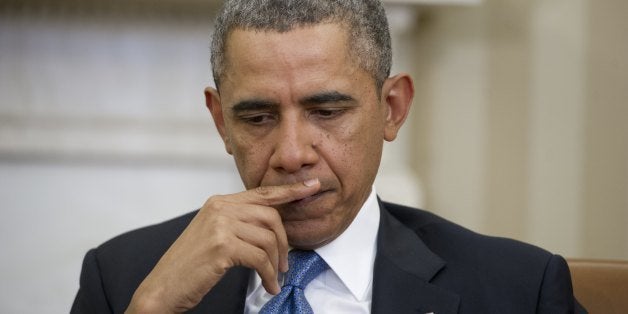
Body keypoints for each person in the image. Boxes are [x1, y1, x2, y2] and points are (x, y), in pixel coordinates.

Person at [71, 0, 586, 313]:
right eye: (257, 118)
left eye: (326, 111)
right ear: (221, 121)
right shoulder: (123, 277)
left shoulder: (517, 289)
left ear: (392, 108)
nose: (292, 155)